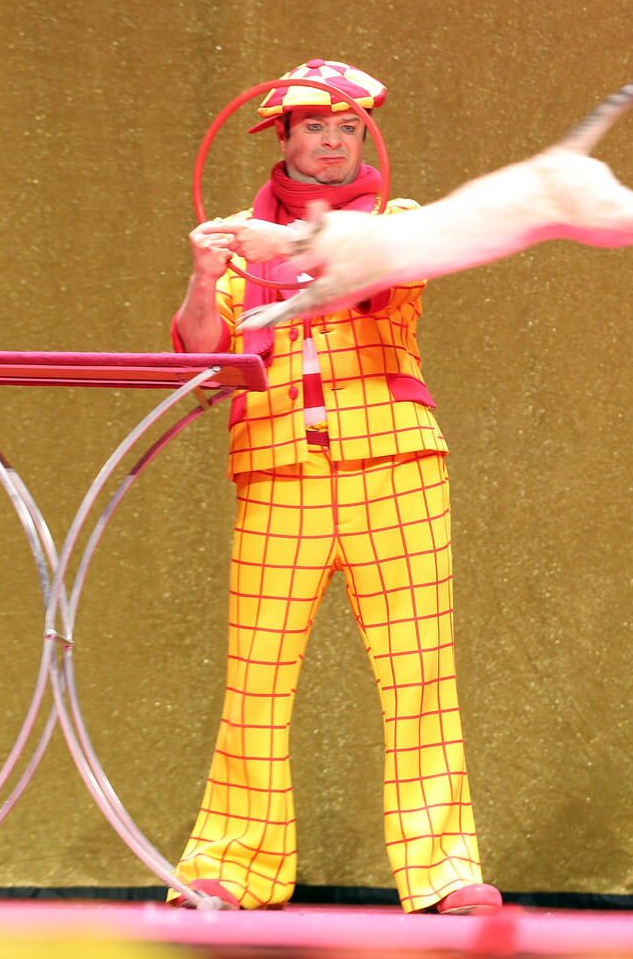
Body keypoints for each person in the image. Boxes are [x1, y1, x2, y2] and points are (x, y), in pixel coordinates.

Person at [170, 58, 499, 915]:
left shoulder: (398, 223)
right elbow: (206, 360)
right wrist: (205, 276)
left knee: (420, 672)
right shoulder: (235, 244)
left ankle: (443, 869)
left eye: (347, 127)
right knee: (256, 675)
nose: (332, 141)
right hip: (279, 471)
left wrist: (278, 246)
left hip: (395, 469)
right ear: (283, 137)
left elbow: (371, 275)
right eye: (315, 126)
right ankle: (235, 863)